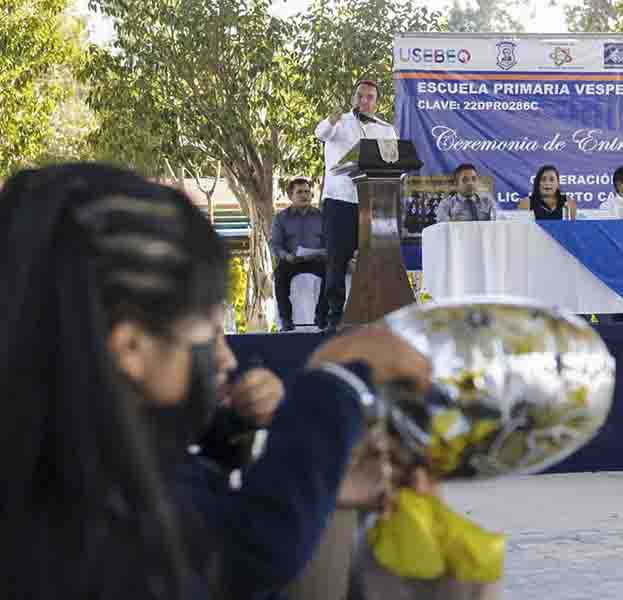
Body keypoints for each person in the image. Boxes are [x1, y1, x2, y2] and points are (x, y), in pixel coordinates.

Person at [0, 163, 432, 600]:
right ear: (130, 347)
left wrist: (247, 441)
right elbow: (254, 547)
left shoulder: (62, 453)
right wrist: (337, 373)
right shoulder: (75, 514)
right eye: (207, 330)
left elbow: (182, 484)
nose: (226, 357)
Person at [315, 80, 397, 331]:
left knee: (373, 260)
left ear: (376, 101)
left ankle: (371, 313)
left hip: (370, 203)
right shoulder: (340, 123)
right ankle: (334, 316)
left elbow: (395, 164)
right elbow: (321, 133)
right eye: (360, 96)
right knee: (336, 260)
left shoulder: (386, 129)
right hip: (339, 201)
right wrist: (332, 117)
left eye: (370, 97)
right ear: (354, 98)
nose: (364, 101)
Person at [270, 177, 327, 332]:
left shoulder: (322, 217)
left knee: (332, 273)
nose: (304, 195)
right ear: (290, 196)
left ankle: (322, 317)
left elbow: (329, 243)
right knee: (280, 275)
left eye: (307, 192)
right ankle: (286, 320)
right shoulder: (280, 218)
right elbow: (275, 244)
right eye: (299, 192)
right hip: (291, 260)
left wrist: (323, 253)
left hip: (316, 260)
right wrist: (286, 256)